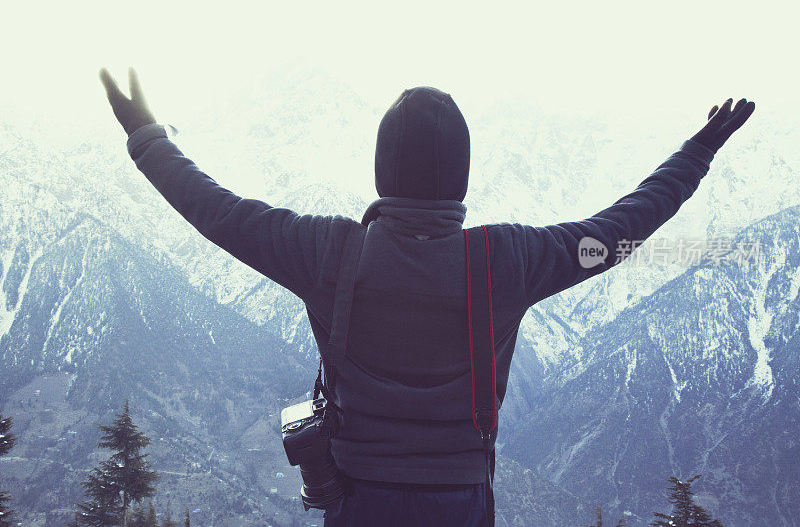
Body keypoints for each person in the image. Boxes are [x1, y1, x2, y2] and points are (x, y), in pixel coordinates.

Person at [99, 67, 755, 527]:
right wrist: (699, 151)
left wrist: (147, 138)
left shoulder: (328, 252)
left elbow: (217, 211)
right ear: (461, 177)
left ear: (382, 169)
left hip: (357, 502)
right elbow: (618, 233)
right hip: (459, 502)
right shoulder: (508, 260)